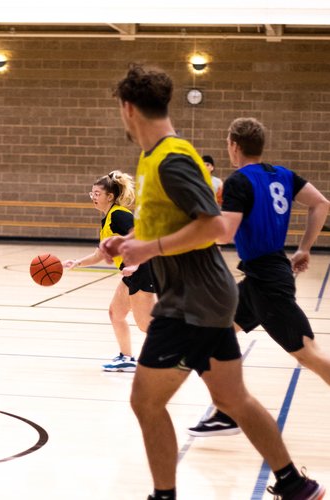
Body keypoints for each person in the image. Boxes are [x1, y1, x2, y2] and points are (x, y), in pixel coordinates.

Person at [101, 64, 323, 500]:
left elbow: (214, 227)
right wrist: (129, 239)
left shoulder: (174, 157)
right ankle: (295, 484)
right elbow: (167, 221)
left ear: (128, 109)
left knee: (145, 401)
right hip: (208, 294)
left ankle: (163, 495)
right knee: (231, 398)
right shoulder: (151, 157)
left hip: (191, 298)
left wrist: (150, 249)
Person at [187, 117, 330, 440]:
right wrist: (304, 248)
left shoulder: (239, 182)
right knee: (208, 338)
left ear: (234, 146)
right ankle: (227, 411)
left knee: (310, 353)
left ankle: (229, 409)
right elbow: (321, 204)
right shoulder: (282, 174)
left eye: (227, 144)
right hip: (261, 276)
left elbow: (225, 234)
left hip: (268, 281)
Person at [64, 170, 155, 372]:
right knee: (116, 313)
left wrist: (134, 264)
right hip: (130, 273)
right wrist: (77, 263)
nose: (93, 197)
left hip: (142, 270)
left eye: (97, 193)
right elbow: (99, 254)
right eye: (92, 193)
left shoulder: (120, 215)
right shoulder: (107, 218)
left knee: (145, 324)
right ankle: (127, 357)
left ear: (110, 196)